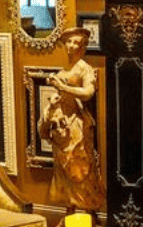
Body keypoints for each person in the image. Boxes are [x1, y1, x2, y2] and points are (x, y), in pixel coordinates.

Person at [38, 27, 105, 215]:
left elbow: (88, 93)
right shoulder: (65, 69)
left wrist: (63, 87)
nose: (72, 46)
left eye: (76, 42)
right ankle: (70, 211)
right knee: (64, 167)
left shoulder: (84, 68)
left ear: (82, 47)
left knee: (81, 166)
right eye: (69, 42)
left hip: (77, 123)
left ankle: (90, 211)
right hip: (62, 122)